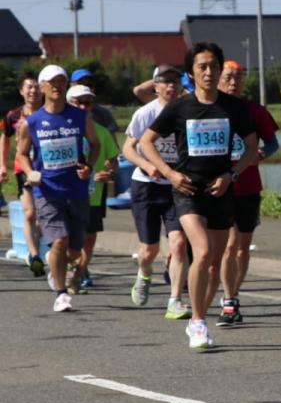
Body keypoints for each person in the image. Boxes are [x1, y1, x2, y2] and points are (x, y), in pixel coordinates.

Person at [138, 42, 259, 350]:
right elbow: (146, 142)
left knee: (215, 264)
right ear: (192, 72)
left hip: (220, 190)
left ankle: (198, 316)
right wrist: (169, 173)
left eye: (213, 66)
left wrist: (231, 175)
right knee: (202, 252)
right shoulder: (180, 106)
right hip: (188, 191)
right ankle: (198, 322)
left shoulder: (233, 107)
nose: (208, 72)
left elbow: (251, 147)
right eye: (202, 66)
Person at [14, 65, 99, 313]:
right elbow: (20, 154)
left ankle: (57, 269)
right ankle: (61, 293)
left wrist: (89, 167)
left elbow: (93, 145)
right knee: (59, 241)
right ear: (41, 87)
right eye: (51, 82)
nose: (57, 86)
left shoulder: (81, 116)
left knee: (74, 249)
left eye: (61, 81)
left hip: (77, 189)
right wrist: (30, 172)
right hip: (48, 191)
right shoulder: (31, 122)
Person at [123, 65, 192, 319]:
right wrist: (148, 165)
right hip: (146, 186)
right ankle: (144, 273)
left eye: (175, 81)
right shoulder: (145, 113)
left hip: (177, 186)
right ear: (155, 85)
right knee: (149, 251)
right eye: (165, 81)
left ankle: (175, 300)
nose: (171, 86)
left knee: (179, 243)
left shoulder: (188, 111)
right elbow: (128, 149)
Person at [216, 60, 280, 326]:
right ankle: (228, 300)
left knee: (242, 246)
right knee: (229, 245)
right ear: (219, 79)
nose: (234, 82)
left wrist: (262, 153)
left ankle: (234, 294)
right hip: (220, 186)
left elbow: (273, 142)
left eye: (239, 77)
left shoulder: (255, 110)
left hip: (249, 187)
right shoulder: (211, 110)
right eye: (229, 77)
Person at [66, 84, 119, 293]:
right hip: (66, 194)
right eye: (77, 102)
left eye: (87, 103)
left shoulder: (102, 132)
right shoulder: (62, 129)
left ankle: (77, 275)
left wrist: (110, 172)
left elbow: (113, 161)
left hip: (93, 195)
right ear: (68, 103)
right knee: (68, 240)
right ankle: (66, 269)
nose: (82, 107)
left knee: (89, 240)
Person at [1, 72, 45, 275]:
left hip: (47, 169)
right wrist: (2, 165)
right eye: (29, 87)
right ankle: (34, 255)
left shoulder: (49, 112)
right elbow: (5, 138)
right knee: (30, 213)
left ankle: (41, 249)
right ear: (21, 91)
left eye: (36, 87)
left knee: (43, 216)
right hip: (23, 169)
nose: (33, 91)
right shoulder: (13, 116)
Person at [69, 69, 118, 134]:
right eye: (80, 84)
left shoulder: (104, 114)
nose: (84, 87)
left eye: (89, 85)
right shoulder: (60, 111)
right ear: (71, 85)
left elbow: (112, 140)